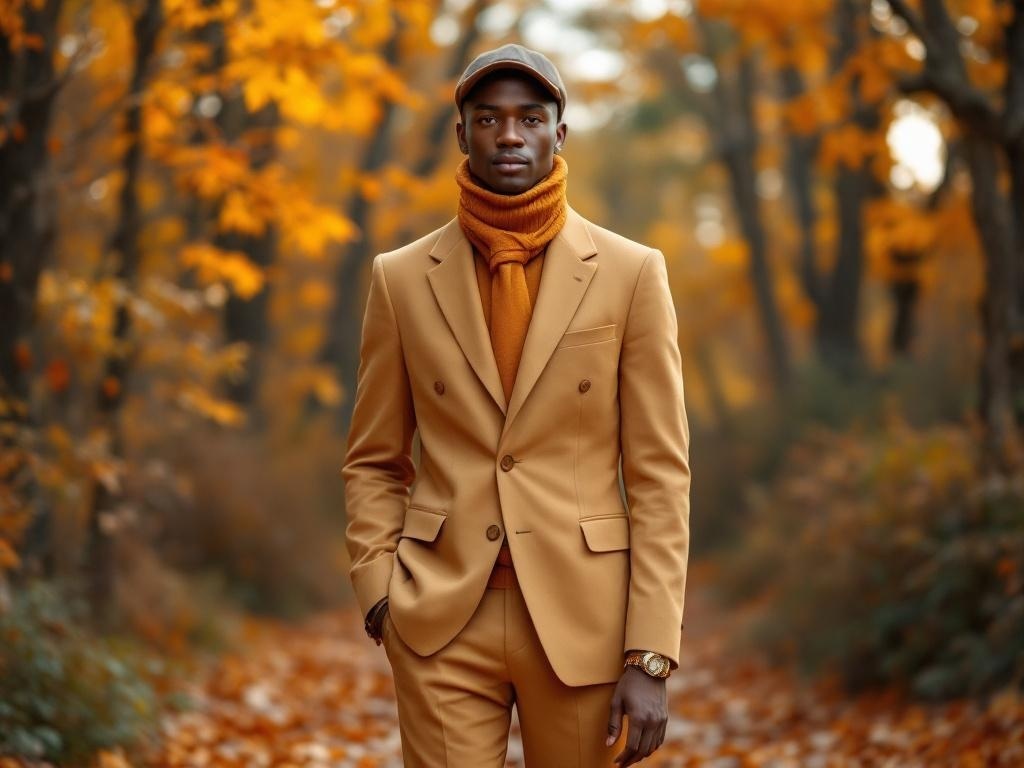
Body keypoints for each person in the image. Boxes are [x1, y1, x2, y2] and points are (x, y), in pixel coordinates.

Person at [342, 43, 691, 768]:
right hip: (440, 617)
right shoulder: (401, 279)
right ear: (462, 132)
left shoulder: (631, 274)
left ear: (559, 135)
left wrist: (651, 652)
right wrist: (382, 597)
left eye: (530, 118)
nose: (509, 135)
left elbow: (660, 476)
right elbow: (375, 459)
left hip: (583, 622)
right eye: (489, 118)